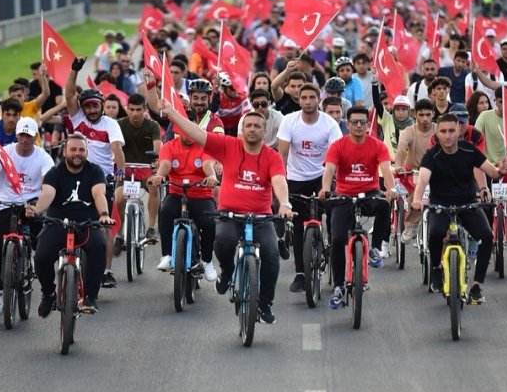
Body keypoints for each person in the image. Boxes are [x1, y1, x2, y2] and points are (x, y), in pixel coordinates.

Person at [161, 103, 292, 324]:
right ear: (242, 130)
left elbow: (279, 180)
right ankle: (228, 270)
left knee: (271, 256)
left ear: (264, 131)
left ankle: (265, 303)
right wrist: (173, 114)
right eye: (248, 125)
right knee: (222, 240)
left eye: (257, 126)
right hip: (231, 214)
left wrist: (285, 204)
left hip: (261, 217)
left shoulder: (272, 156)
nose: (252, 129)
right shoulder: (228, 146)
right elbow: (197, 133)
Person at [410, 113, 507, 300]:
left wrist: (501, 171)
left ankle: (476, 285)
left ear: (459, 131)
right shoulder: (432, 155)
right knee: (435, 233)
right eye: (443, 131)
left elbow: (493, 173)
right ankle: (436, 268)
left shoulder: (469, 150)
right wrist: (417, 200)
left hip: (467, 203)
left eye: (451, 131)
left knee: (487, 237)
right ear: (437, 134)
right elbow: (423, 180)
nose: (447, 135)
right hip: (440, 204)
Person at [0, 118, 54, 317]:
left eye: (29, 136)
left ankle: (32, 258)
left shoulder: (43, 157)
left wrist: (38, 207)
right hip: (6, 204)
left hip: (31, 204)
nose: (25, 140)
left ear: (35, 137)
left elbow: (47, 185)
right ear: (16, 135)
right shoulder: (4, 152)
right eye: (22, 135)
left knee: (40, 239)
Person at [30, 133, 114, 316]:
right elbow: (47, 194)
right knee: (41, 256)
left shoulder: (95, 171)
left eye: (82, 150)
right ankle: (49, 293)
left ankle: (91, 296)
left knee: (99, 246)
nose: (77, 153)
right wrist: (37, 210)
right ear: (65, 151)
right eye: (73, 149)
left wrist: (104, 215)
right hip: (58, 223)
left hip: (87, 223)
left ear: (87, 151)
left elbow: (99, 194)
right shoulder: (54, 173)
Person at [320, 106, 395, 310]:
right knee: (336, 239)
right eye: (355, 122)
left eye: (363, 122)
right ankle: (338, 287)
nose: (360, 126)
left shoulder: (378, 146)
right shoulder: (338, 145)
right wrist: (326, 189)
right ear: (348, 124)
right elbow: (329, 170)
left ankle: (376, 249)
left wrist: (390, 189)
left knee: (384, 205)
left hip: (369, 194)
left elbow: (386, 170)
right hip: (344, 196)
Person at [65, 57, 126, 289]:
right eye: (87, 106)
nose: (91, 110)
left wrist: (119, 175)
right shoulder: (77, 118)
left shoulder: (111, 124)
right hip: (76, 178)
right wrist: (74, 70)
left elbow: (117, 151)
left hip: (103, 180)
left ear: (101, 106)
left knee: (104, 226)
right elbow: (69, 94)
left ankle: (107, 271)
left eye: (95, 106)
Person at [277, 83, 343, 294]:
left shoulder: (329, 123)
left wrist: (330, 184)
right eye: (303, 97)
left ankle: (334, 257)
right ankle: (300, 273)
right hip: (296, 178)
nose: (307, 101)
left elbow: (335, 156)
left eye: (311, 97)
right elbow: (282, 155)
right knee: (297, 225)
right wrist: (282, 181)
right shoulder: (289, 121)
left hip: (322, 176)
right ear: (299, 100)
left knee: (334, 217)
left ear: (318, 100)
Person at [149, 131, 218, 282]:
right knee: (166, 212)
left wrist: (211, 176)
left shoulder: (204, 146)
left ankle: (207, 261)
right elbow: (166, 164)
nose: (189, 134)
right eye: (184, 131)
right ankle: (167, 255)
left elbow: (207, 163)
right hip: (176, 192)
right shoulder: (169, 146)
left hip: (201, 195)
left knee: (209, 223)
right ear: (178, 132)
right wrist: (160, 175)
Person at [114, 93, 162, 253]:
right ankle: (120, 235)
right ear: (127, 109)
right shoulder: (119, 124)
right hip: (125, 168)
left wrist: (156, 161)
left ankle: (150, 228)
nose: (135, 113)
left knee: (154, 187)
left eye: (138, 110)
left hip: (146, 168)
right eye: (132, 109)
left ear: (144, 109)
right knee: (119, 197)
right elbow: (113, 145)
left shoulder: (152, 125)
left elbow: (157, 145)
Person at [474, 86, 507, 232]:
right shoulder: (485, 116)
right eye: (501, 101)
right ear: (495, 101)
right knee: (485, 198)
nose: (505, 105)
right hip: (488, 163)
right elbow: (476, 137)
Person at [396, 99, 437, 244]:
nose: (425, 118)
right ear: (415, 115)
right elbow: (401, 148)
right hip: (413, 172)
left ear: (433, 114)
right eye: (421, 115)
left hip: (436, 172)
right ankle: (411, 226)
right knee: (417, 191)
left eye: (428, 114)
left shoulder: (439, 130)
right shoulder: (408, 131)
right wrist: (398, 165)